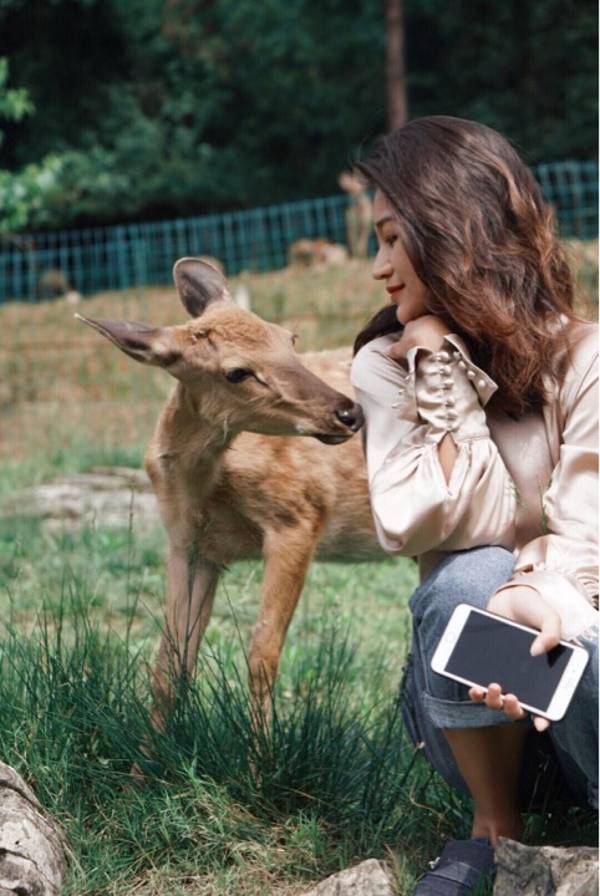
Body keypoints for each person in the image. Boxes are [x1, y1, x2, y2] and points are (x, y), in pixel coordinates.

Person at [350, 116, 598, 895]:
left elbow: (591, 530)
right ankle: (494, 829)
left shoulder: (586, 357)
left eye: (393, 239)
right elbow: (423, 520)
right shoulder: (389, 364)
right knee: (465, 581)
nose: (380, 269)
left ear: (455, 229)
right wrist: (444, 374)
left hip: (579, 662)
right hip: (469, 707)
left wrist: (540, 595)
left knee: (563, 618)